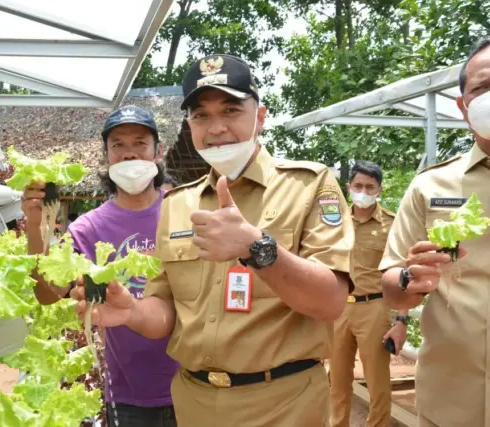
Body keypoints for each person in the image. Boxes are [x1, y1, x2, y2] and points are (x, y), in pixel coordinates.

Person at [72, 54, 355, 426]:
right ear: (189, 125)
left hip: (283, 404)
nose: (216, 127)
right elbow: (167, 310)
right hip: (194, 402)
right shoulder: (176, 204)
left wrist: (256, 248)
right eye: (201, 115)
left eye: (231, 110)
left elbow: (331, 302)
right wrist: (134, 313)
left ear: (261, 115)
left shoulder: (308, 185)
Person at [21, 105, 179, 427]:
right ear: (106, 156)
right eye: (117, 145)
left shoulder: (183, 209)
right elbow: (49, 293)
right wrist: (36, 226)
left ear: (157, 152)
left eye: (139, 143)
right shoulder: (89, 228)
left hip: (193, 380)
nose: (128, 154)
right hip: (129, 389)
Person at [379, 38, 490, 427]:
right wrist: (411, 278)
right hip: (451, 401)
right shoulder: (431, 186)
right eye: (483, 88)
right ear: (463, 106)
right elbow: (392, 285)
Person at [329, 160, 408, 427]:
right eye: (358, 185)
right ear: (348, 186)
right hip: (337, 309)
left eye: (370, 187)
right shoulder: (333, 222)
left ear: (379, 190)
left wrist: (401, 320)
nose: (363, 191)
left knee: (378, 384)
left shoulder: (391, 224)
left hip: (374, 308)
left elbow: (403, 276)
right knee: (336, 382)